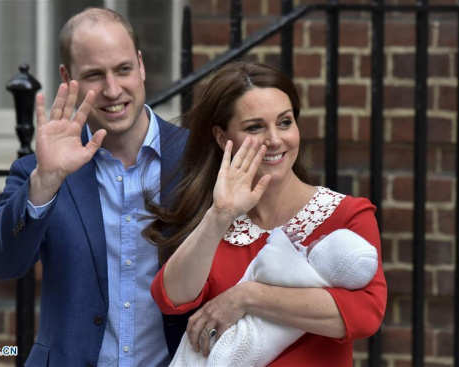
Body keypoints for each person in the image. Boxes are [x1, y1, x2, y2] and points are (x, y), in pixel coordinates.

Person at [0, 7, 188, 367]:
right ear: (67, 76)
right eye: (94, 74)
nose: (112, 89)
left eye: (123, 69)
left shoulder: (195, 158)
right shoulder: (38, 171)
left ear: (140, 64)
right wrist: (45, 184)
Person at [145, 60, 387, 366]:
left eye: (285, 122)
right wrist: (220, 214)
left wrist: (247, 297)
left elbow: (366, 314)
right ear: (223, 138)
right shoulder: (218, 220)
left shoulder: (347, 214)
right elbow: (172, 297)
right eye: (255, 127)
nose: (275, 139)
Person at [170, 228, 379, 366]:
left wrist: (279, 239)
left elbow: (365, 316)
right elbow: (169, 296)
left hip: (251, 333)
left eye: (326, 242)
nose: (323, 236)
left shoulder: (303, 273)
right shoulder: (325, 283)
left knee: (229, 350)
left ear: (324, 257)